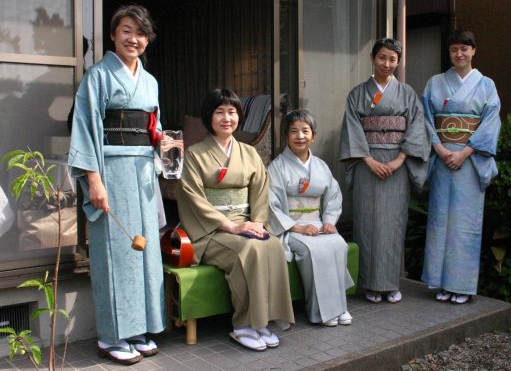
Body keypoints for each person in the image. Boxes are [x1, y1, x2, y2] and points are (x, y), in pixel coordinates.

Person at [68, 5, 164, 365]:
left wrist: (164, 144)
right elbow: (84, 126)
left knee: (144, 251)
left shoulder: (150, 82)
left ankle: (138, 328)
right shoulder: (98, 76)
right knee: (116, 253)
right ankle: (111, 336)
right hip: (111, 169)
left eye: (140, 33)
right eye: (126, 30)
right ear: (113, 35)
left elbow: (153, 127)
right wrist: (93, 180)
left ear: (147, 40)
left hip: (143, 172)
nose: (133, 39)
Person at [176, 88, 294, 352]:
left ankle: (264, 321)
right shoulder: (195, 154)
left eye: (232, 112)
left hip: (245, 223)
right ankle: (244, 325)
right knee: (248, 248)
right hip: (211, 231)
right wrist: (231, 226)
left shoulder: (249, 153)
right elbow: (192, 197)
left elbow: (260, 191)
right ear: (209, 117)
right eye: (219, 112)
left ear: (239, 116)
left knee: (272, 244)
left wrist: (258, 223)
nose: (226, 118)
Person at [339, 38, 429, 304]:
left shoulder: (407, 94)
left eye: (392, 59)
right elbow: (352, 129)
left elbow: (417, 127)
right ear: (372, 58)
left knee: (393, 223)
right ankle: (369, 283)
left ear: (398, 62)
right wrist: (369, 160)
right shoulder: (357, 94)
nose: (386, 64)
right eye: (382, 58)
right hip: (367, 165)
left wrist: (399, 159)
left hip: (396, 167)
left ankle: (390, 283)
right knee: (367, 223)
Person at [421, 29, 501, 304]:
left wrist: (465, 152)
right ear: (449, 52)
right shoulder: (435, 83)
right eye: (454, 49)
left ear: (473, 51)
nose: (459, 54)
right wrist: (441, 149)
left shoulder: (486, 85)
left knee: (466, 223)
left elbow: (491, 122)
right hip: (443, 158)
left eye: (464, 49)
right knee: (440, 220)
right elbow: (426, 119)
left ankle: (462, 286)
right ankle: (441, 282)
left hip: (470, 160)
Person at [268, 110, 354, 327]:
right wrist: (297, 228)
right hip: (292, 227)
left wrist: (329, 222)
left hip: (318, 224)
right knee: (313, 250)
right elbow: (270, 204)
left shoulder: (321, 166)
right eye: (293, 131)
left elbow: (333, 196)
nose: (300, 136)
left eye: (305, 131)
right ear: (286, 136)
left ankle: (340, 306)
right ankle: (320, 312)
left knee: (338, 244)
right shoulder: (277, 167)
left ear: (313, 136)